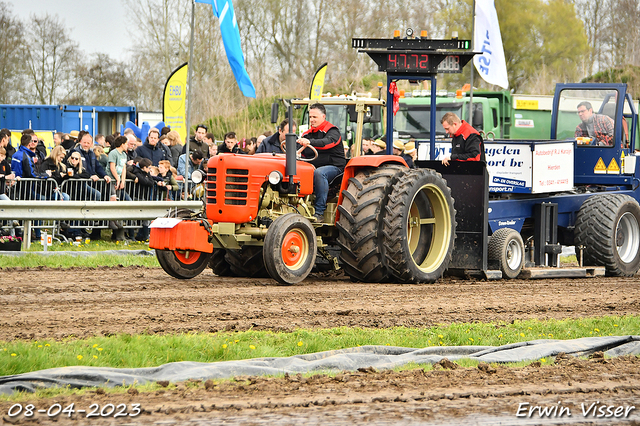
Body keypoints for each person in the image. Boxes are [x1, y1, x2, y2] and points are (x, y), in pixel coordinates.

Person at [297, 103, 346, 221]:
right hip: (313, 166)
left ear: (323, 117)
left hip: (335, 167)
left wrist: (310, 142)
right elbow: (301, 151)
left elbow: (327, 143)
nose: (312, 120)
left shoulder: (332, 131)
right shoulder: (307, 134)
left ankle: (319, 211)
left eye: (315, 117)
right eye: (310, 117)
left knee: (320, 173)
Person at [72, 132, 112, 201]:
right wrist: (90, 176)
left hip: (92, 181)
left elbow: (97, 166)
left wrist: (105, 175)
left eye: (88, 143)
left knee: (106, 190)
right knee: (97, 194)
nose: (86, 145)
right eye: (84, 142)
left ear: (91, 144)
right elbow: (77, 169)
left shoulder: (92, 153)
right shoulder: (75, 152)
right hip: (81, 183)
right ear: (81, 142)